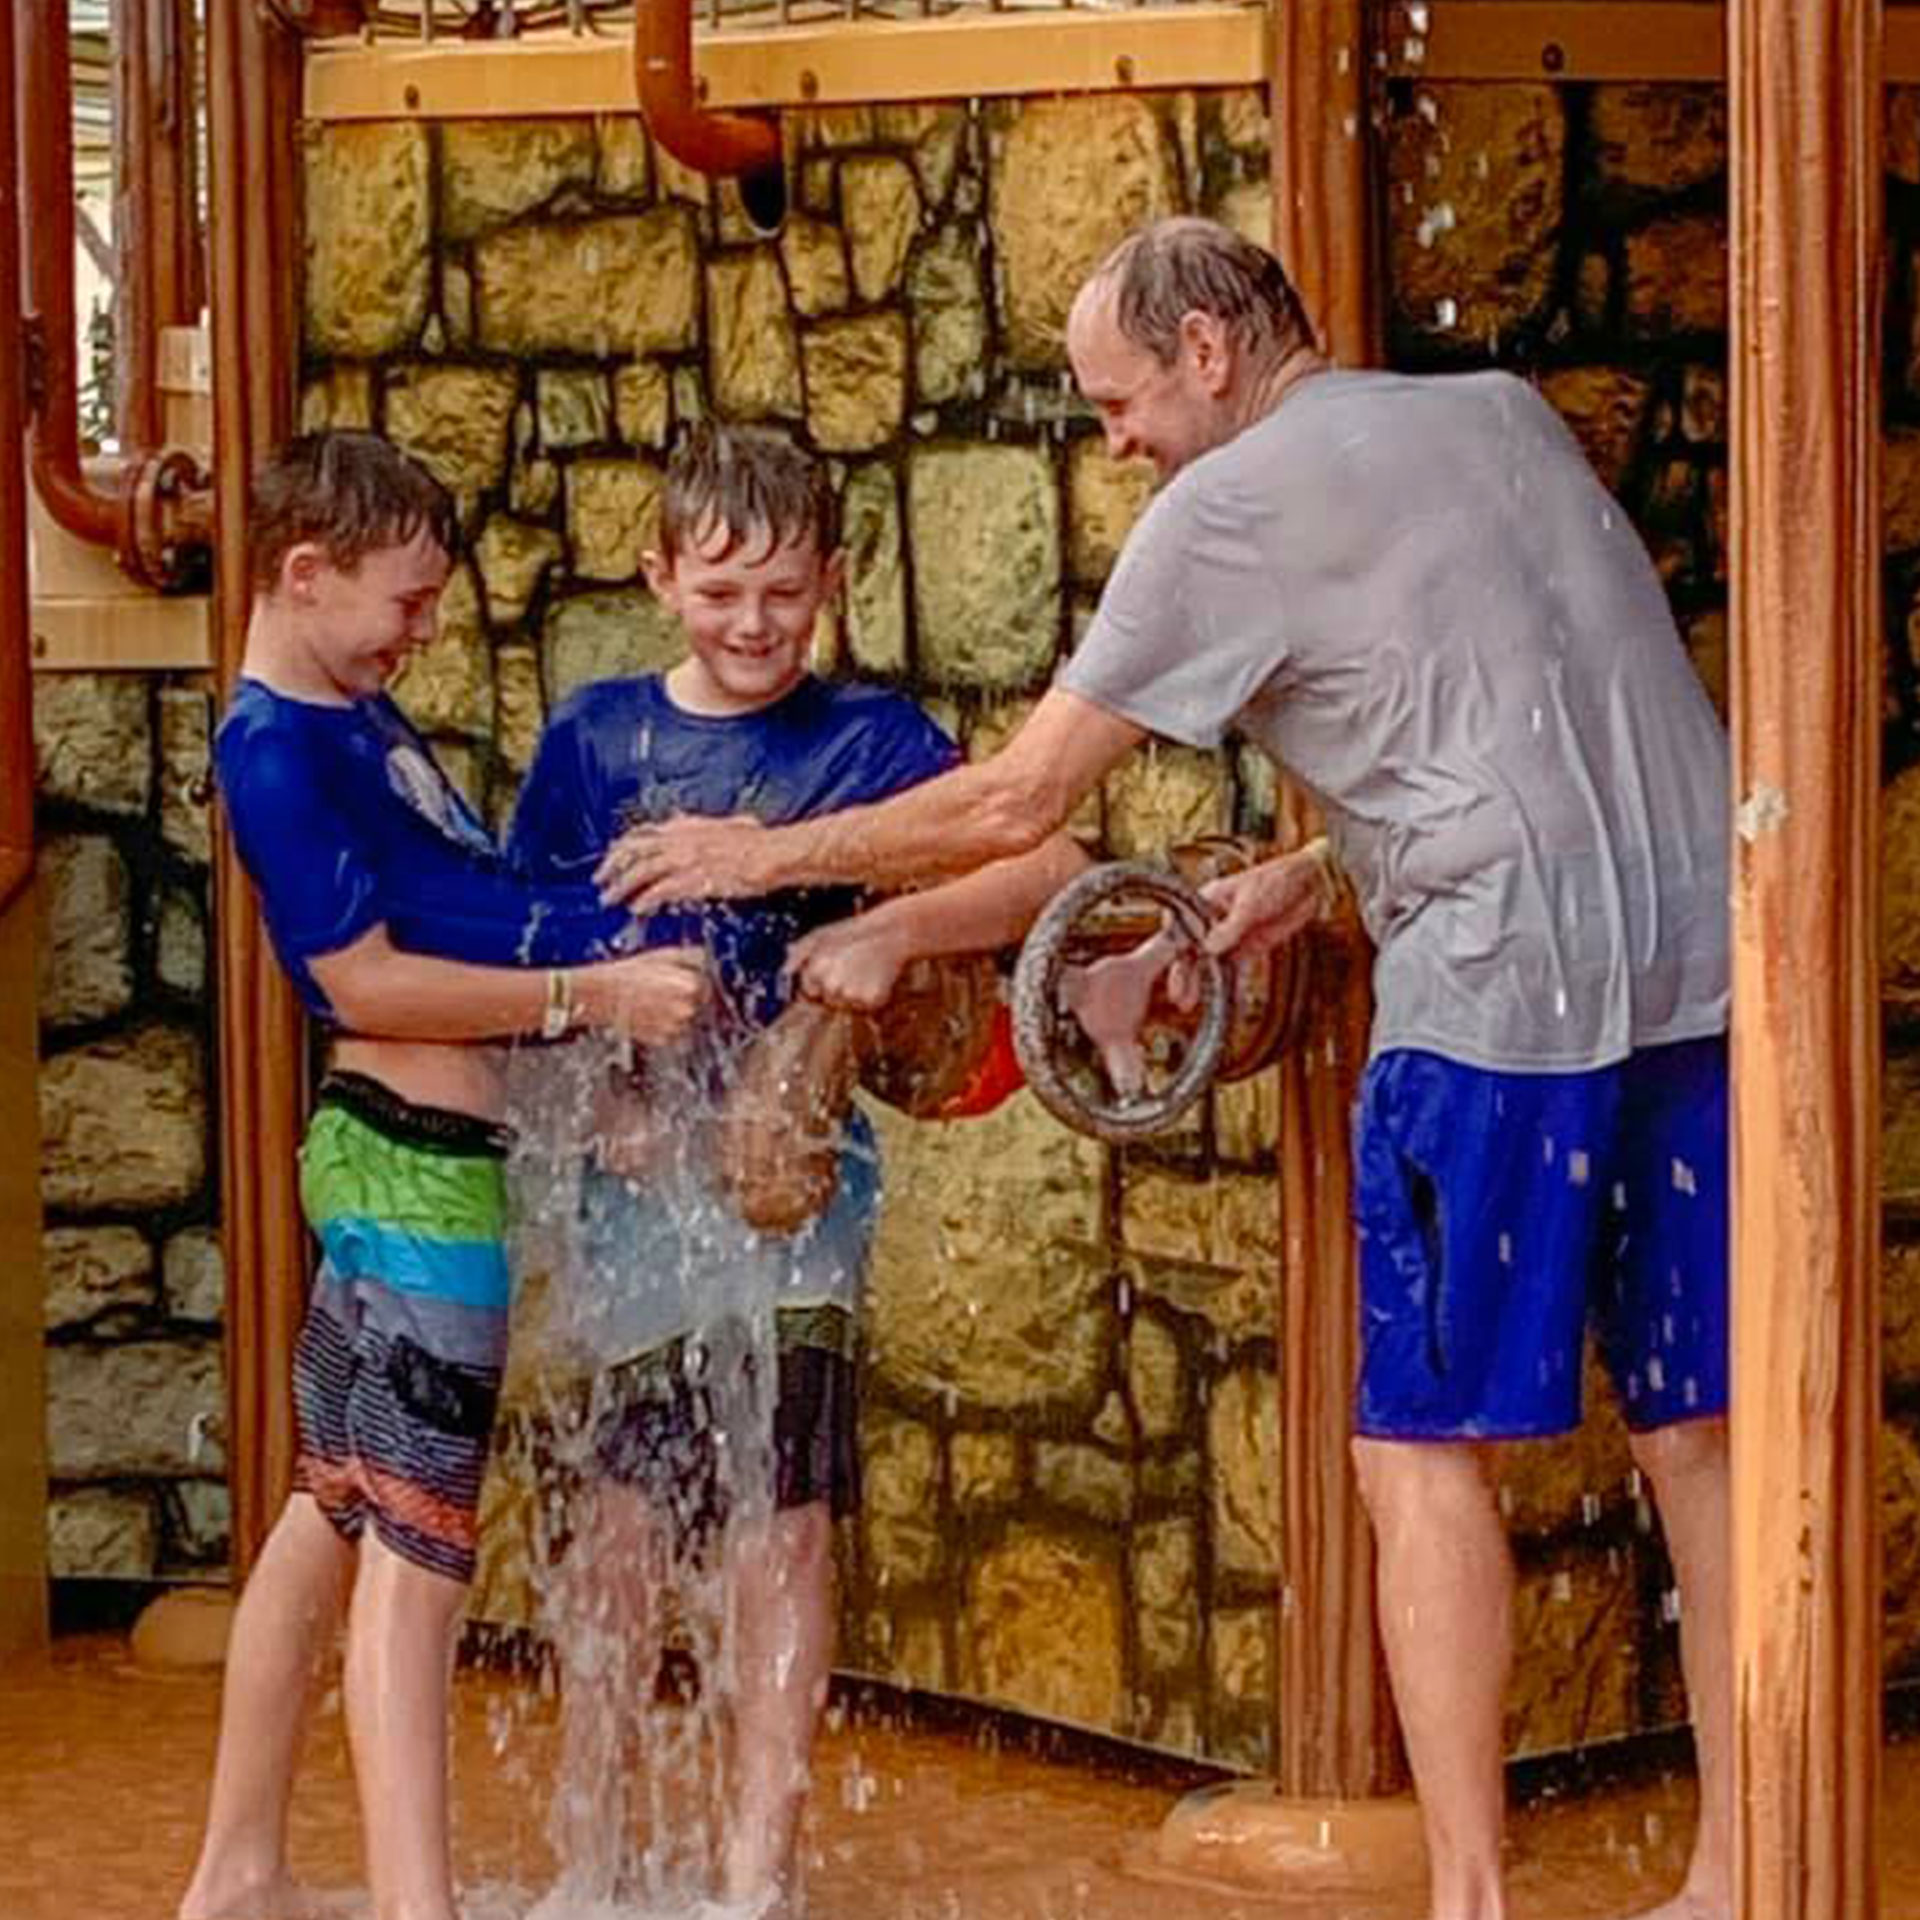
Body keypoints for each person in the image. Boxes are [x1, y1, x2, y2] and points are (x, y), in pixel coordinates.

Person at [592, 219, 1733, 1920]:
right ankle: (1741, 1874)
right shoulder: (1497, 415)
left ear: (1210, 351)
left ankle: (1474, 1898)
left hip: (1499, 1005)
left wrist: (745, 863)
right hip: (1702, 965)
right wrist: (1307, 876)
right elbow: (1513, 724)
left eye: (1119, 400)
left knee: (1418, 1456)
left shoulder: (1230, 499)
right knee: (1695, 1434)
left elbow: (1013, 805)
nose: (1111, 442)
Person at [505, 421, 1084, 1919]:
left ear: (832, 578)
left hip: (800, 1187)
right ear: (661, 578)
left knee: (787, 1519)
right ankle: (599, 1855)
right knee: (622, 1528)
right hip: (630, 1189)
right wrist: (604, 1087)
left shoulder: (870, 742)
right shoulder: (595, 742)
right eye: (720, 594)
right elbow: (519, 943)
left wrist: (891, 927)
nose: (754, 626)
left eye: (783, 595)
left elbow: (1049, 866)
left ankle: (756, 1872)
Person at [178, 431, 708, 1920]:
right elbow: (362, 984)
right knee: (420, 1556)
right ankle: (425, 1909)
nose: (423, 630)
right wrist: (591, 1004)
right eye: (404, 603)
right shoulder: (275, 748)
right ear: (302, 574)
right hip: (418, 1186)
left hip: (383, 1169)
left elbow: (460, 899)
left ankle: (240, 1868)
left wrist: (630, 897)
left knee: (330, 1512)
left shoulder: (354, 712)